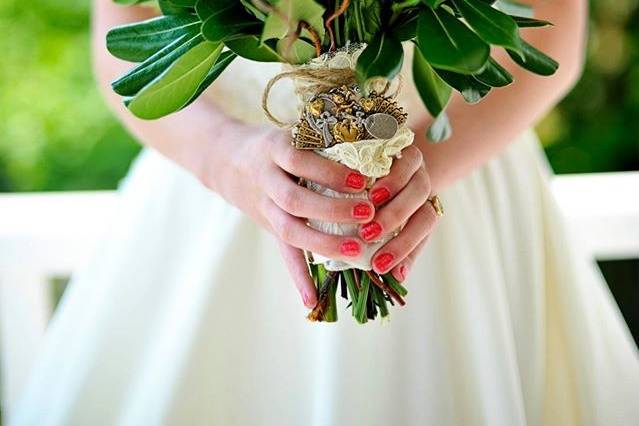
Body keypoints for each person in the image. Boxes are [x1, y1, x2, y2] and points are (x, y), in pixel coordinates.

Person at [11, 0, 639, 424]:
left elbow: (555, 23)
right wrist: (228, 160)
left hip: (452, 159)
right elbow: (121, 39)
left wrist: (414, 169)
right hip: (225, 179)